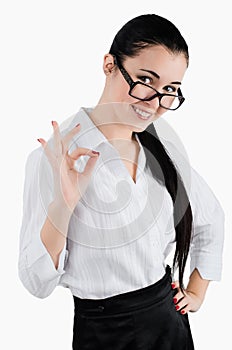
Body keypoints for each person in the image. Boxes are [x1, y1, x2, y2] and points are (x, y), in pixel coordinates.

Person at [18, 13, 225, 350]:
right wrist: (63, 205)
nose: (155, 103)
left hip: (168, 321)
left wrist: (197, 292)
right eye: (145, 80)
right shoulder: (55, 159)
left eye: (169, 90)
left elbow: (211, 218)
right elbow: (35, 282)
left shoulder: (163, 150)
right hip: (103, 332)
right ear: (110, 65)